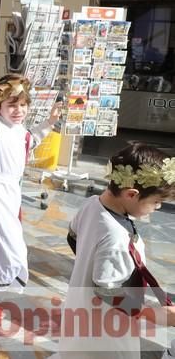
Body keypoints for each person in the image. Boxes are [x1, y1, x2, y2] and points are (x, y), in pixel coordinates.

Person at [55, 143, 175, 358]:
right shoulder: (116, 237)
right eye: (156, 202)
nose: (156, 208)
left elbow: (72, 236)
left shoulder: (92, 204)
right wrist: (152, 314)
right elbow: (106, 290)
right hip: (106, 326)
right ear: (131, 194)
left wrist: (89, 261)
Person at [0, 69, 61, 326]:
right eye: (12, 104)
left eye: (23, 104)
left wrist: (50, 122)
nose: (18, 110)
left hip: (9, 194)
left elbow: (30, 140)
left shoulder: (19, 130)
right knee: (13, 255)